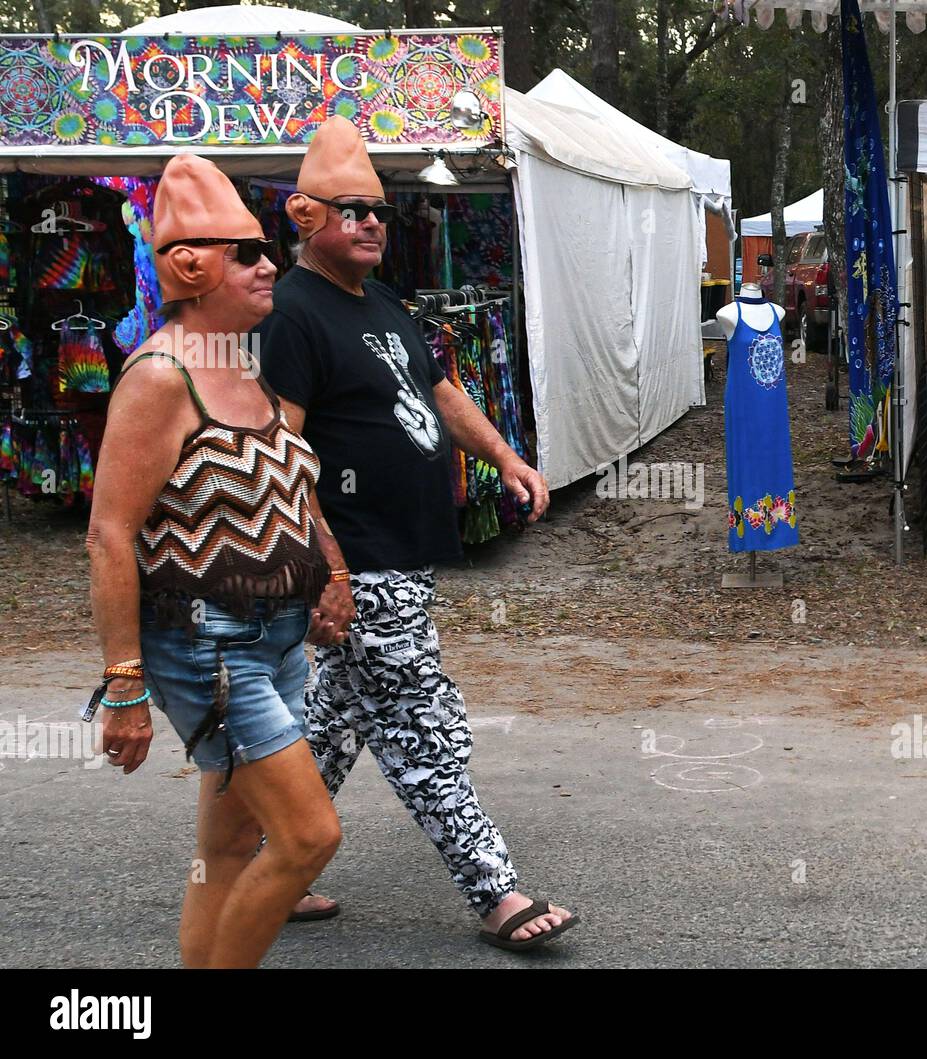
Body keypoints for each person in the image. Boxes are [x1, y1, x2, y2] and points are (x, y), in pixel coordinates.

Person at [255, 117, 578, 950]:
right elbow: (284, 454)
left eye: (379, 209)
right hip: (358, 562)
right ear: (304, 215)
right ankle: (496, 891)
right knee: (420, 721)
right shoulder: (291, 314)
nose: (370, 222)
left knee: (333, 718)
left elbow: (441, 393)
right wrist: (327, 566)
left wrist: (508, 457)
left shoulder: (383, 302)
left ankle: (268, 867)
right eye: (351, 209)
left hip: (404, 554)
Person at [85, 154, 344, 968]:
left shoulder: (242, 360)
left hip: (276, 638)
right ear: (192, 265)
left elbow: (288, 489)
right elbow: (109, 534)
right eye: (248, 253)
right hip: (209, 644)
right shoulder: (161, 377)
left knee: (228, 845)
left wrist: (328, 573)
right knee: (307, 837)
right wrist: (125, 686)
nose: (270, 265)